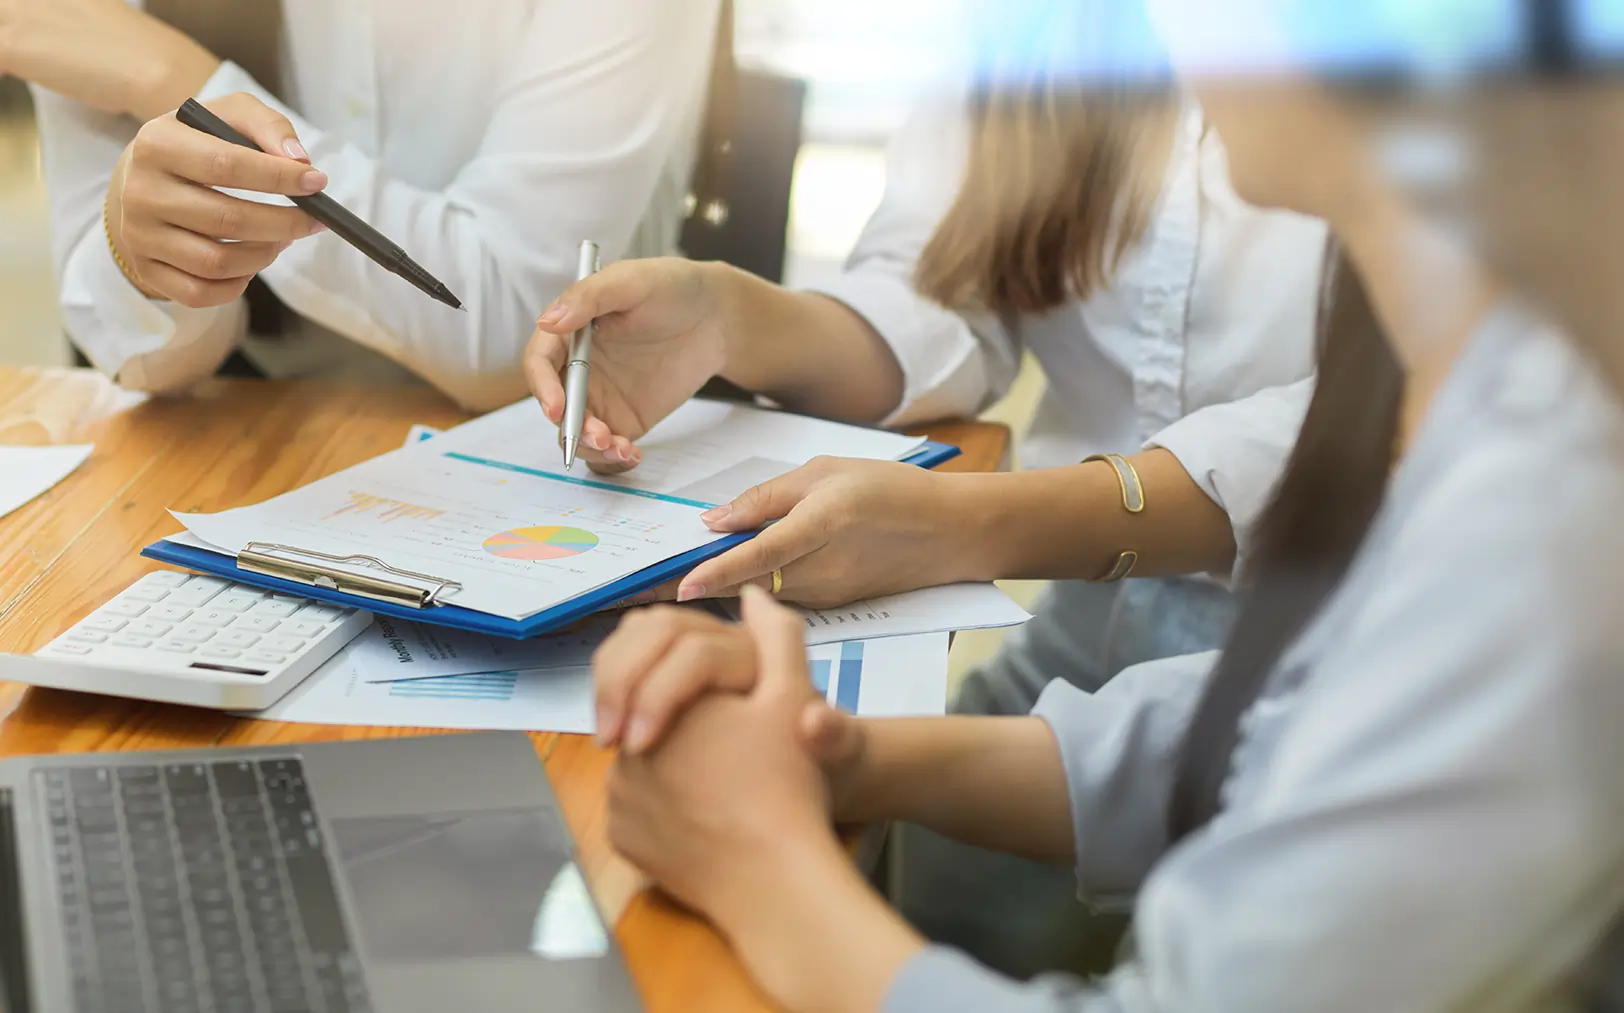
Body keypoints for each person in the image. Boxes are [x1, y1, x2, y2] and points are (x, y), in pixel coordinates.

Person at [583, 5, 1624, 1011]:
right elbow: (1281, 720)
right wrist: (844, 752)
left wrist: (763, 862)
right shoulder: (1497, 385)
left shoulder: (1537, 521)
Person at [526, 2, 1325, 974]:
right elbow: (947, 288)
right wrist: (733, 318)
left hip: (1337, 619)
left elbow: (1402, 421)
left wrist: (968, 525)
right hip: (1094, 637)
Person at [0, 0, 722, 405]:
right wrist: (152, 258)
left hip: (564, 449)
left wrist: (170, 79)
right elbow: (130, 348)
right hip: (242, 442)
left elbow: (518, 321)